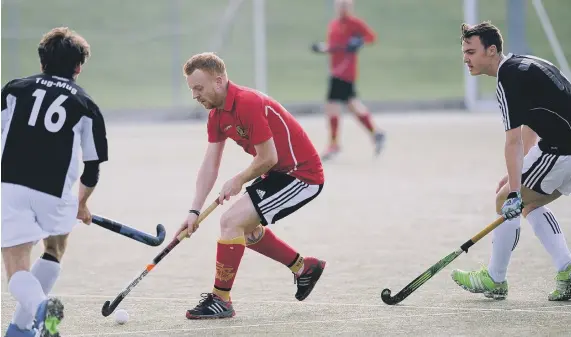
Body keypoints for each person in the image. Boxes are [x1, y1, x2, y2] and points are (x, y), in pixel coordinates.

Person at [175, 52, 326, 319]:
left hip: (301, 175)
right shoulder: (217, 116)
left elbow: (268, 158)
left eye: (198, 88)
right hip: (278, 173)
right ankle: (304, 268)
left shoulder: (247, 103)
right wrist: (194, 212)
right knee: (246, 229)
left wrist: (238, 180)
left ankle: (221, 299)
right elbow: (210, 165)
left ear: (219, 81)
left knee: (231, 221)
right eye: (191, 89)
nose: (195, 95)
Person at [451, 21, 571, 301]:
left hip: (561, 150)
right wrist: (518, 176)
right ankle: (567, 270)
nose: (465, 58)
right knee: (530, 202)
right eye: (464, 52)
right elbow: (532, 123)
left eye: (471, 51)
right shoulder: (523, 66)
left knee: (505, 201)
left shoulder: (507, 79)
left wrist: (515, 191)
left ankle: (495, 278)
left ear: (491, 50)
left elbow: (514, 140)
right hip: (561, 147)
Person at [1, 27, 109, 336]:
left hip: (12, 186)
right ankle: (20, 330)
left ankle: (40, 308)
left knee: (17, 268)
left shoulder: (14, 90)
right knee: (54, 250)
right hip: (57, 193)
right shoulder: (86, 104)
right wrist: (82, 203)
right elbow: (92, 168)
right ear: (78, 67)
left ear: (42, 62)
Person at [311, 0, 385, 161]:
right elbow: (335, 46)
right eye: (340, 5)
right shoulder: (334, 24)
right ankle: (376, 133)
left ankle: (334, 144)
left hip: (344, 72)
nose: (343, 8)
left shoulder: (354, 23)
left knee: (332, 106)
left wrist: (360, 42)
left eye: (346, 5)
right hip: (335, 70)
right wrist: (322, 48)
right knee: (352, 105)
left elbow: (371, 37)